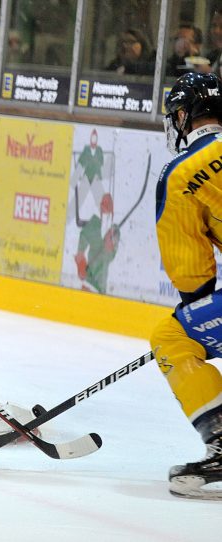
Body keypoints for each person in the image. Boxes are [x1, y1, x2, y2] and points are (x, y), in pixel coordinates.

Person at [153, 71, 222, 500]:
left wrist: (196, 307)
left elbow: (192, 276)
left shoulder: (183, 173)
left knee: (172, 337)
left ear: (182, 116)